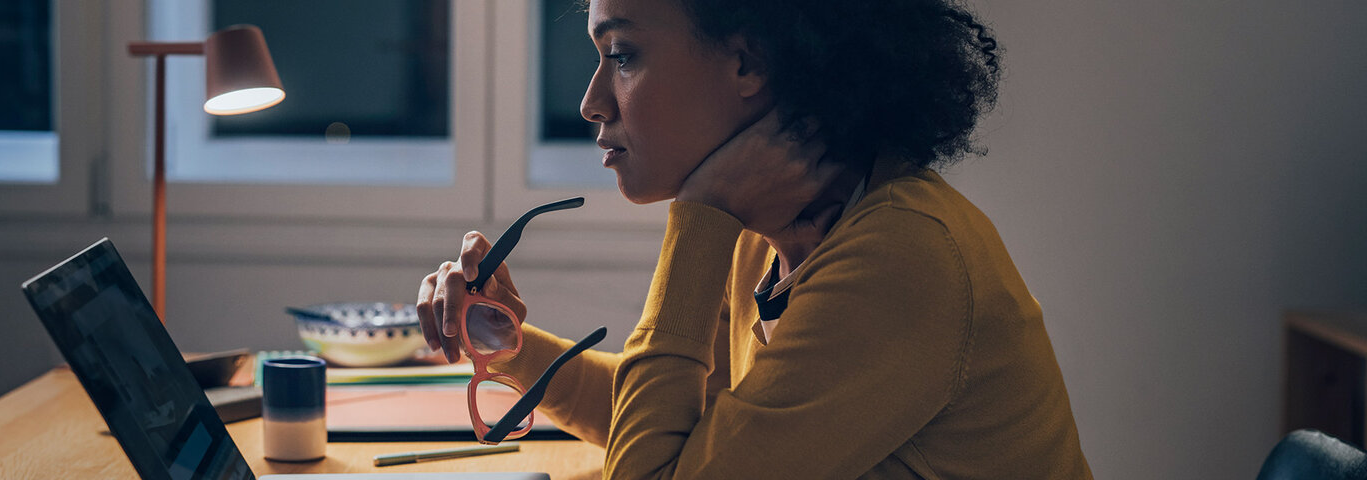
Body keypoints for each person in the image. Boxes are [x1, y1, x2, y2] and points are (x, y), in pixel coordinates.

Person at [417, 0, 1094, 478]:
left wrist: (700, 219)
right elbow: (676, 433)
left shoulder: (901, 258)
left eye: (622, 55)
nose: (593, 101)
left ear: (746, 62)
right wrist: (505, 344)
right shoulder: (768, 235)